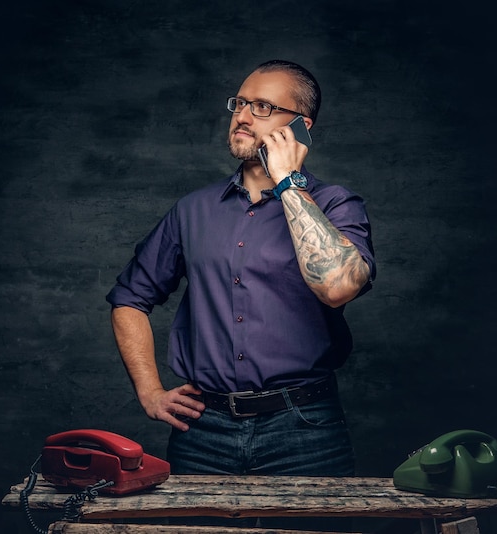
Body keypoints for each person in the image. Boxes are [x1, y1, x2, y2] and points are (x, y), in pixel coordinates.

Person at [106, 60, 375, 482]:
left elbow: (338, 287)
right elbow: (129, 298)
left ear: (301, 126)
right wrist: (151, 392)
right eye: (240, 103)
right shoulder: (192, 210)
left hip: (304, 429)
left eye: (263, 107)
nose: (243, 117)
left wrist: (287, 182)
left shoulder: (337, 204)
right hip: (203, 432)